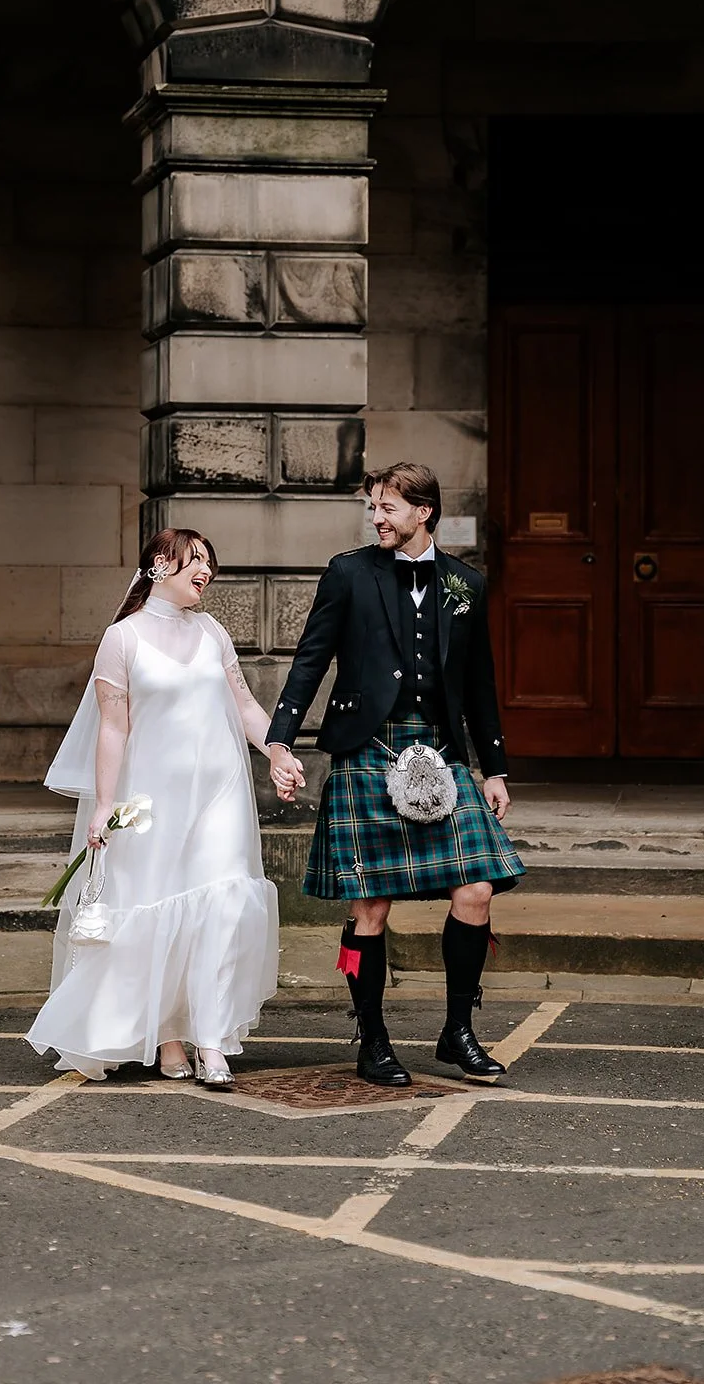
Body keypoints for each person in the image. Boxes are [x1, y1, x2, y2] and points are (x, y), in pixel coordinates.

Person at [265, 462, 525, 1087]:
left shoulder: (465, 583)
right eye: (372, 509)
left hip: (440, 752)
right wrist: (280, 738)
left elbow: (480, 682)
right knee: (371, 907)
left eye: (388, 508)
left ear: (423, 513)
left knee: (477, 890)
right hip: (367, 750)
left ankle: (458, 1030)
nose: (377, 518)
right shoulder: (350, 572)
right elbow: (311, 657)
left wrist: (494, 767)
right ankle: (373, 1037)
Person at [26, 528, 279, 1086]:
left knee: (224, 904)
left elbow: (243, 703)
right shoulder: (123, 639)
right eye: (197, 560)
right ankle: (167, 1036)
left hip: (220, 794)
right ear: (162, 564)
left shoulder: (213, 632)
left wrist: (277, 750)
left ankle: (211, 1040)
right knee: (158, 906)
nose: (207, 570)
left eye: (211, 561)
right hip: (153, 801)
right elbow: (112, 729)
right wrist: (104, 805)